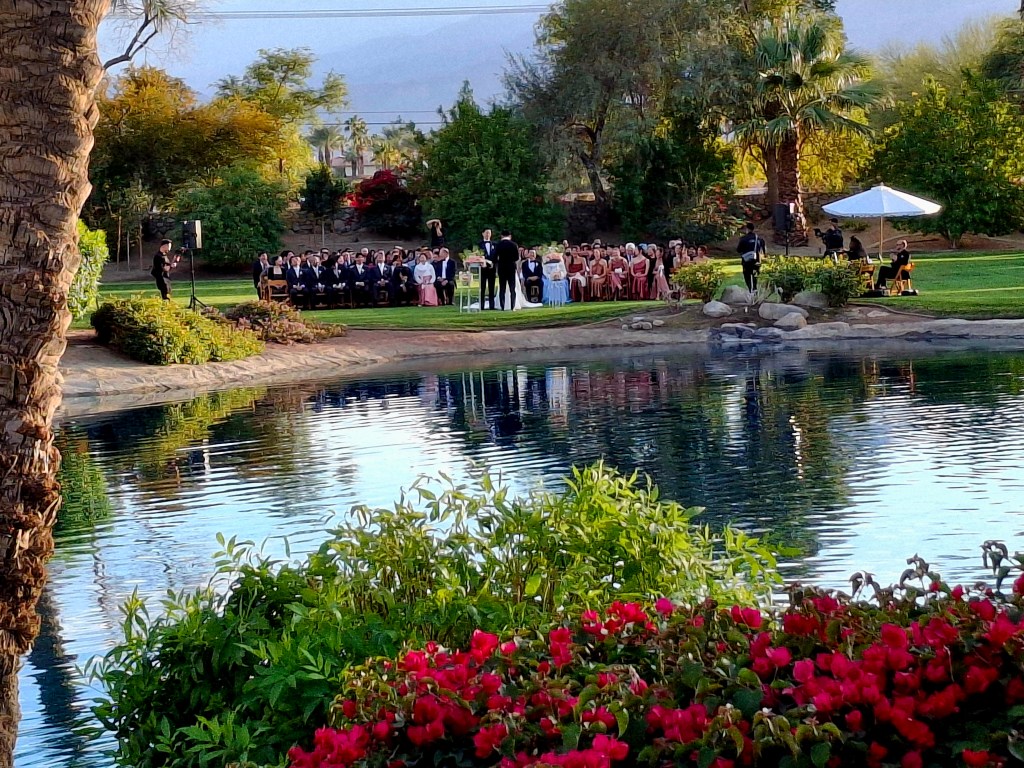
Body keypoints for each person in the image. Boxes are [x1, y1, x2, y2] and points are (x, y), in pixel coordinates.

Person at [494, 230, 520, 311]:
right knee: (512, 288)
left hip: (502, 267)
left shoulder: (498, 245)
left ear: (501, 236)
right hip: (511, 267)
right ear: (510, 236)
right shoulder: (514, 245)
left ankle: (502, 306)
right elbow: (516, 257)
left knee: (502, 288)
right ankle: (513, 306)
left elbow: (495, 257)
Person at [737, 222, 765, 292]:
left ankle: (750, 289)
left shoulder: (743, 239)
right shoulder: (759, 239)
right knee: (755, 274)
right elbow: (763, 251)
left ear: (747, 229)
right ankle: (755, 288)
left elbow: (738, 250)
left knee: (747, 275)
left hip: (746, 261)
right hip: (757, 260)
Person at [479, 228, 497, 310]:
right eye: (486, 233)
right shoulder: (479, 245)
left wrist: (494, 263)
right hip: (482, 269)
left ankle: (492, 306)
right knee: (482, 288)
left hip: (492, 269)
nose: (488, 234)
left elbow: (496, 256)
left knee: (491, 287)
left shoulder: (495, 244)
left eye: (489, 233)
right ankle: (481, 306)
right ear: (483, 234)